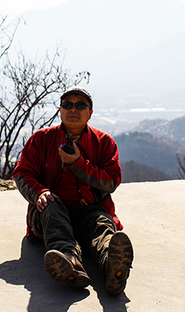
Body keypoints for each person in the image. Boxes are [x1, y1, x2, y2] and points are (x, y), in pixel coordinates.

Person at [12, 87, 134, 296]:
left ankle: (112, 268)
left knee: (102, 226)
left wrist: (78, 163)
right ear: (60, 110)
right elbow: (22, 173)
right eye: (67, 105)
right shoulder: (41, 139)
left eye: (80, 105)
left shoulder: (103, 142)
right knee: (51, 206)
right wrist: (40, 192)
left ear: (90, 112)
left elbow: (111, 180)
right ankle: (69, 263)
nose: (73, 110)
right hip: (50, 212)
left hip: (90, 209)